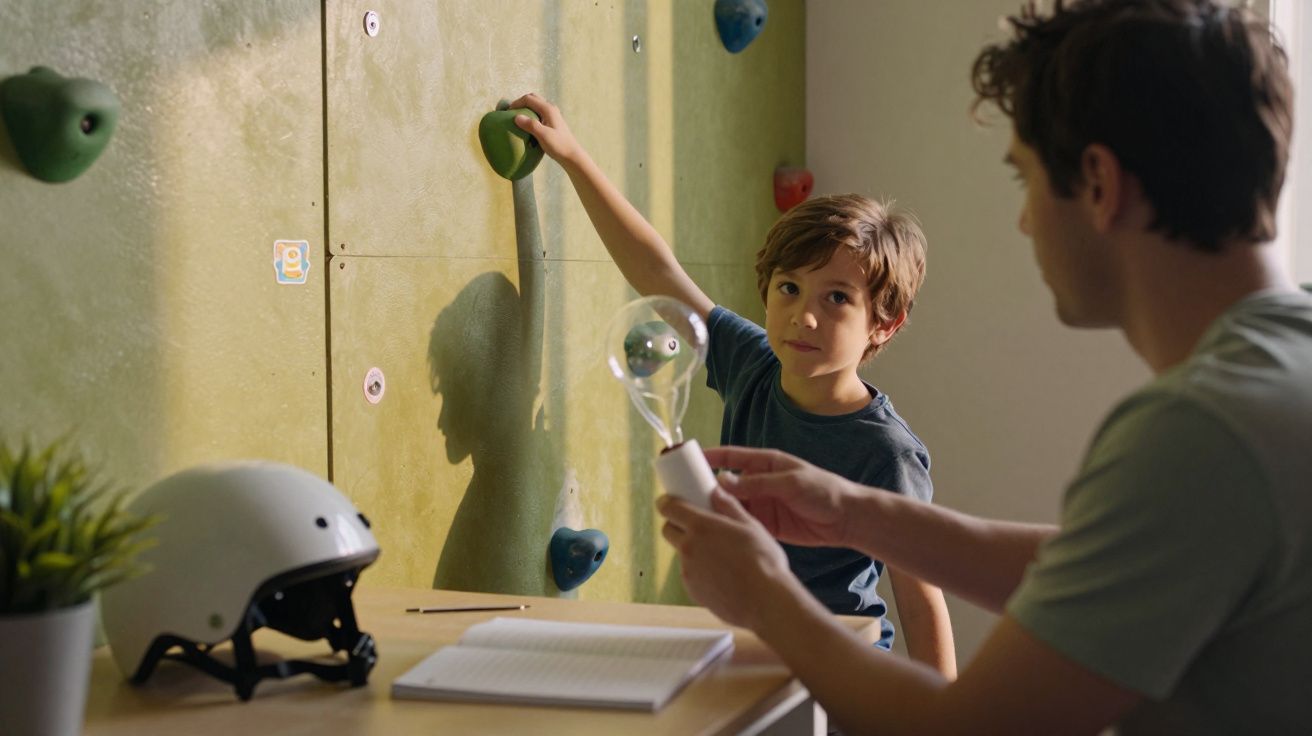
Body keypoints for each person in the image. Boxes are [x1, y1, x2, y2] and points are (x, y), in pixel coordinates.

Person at [655, 0, 1312, 733]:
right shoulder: (1286, 369)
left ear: (1098, 184)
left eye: (1024, 180)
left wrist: (766, 597)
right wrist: (853, 513)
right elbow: (1107, 567)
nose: (1027, 221)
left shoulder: (1202, 431)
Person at [510, 94, 956, 677]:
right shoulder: (752, 362)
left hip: (838, 669)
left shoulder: (886, 453)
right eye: (789, 288)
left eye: (837, 298)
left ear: (884, 323)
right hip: (741, 650)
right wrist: (572, 159)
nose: (804, 316)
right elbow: (657, 271)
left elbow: (922, 603)